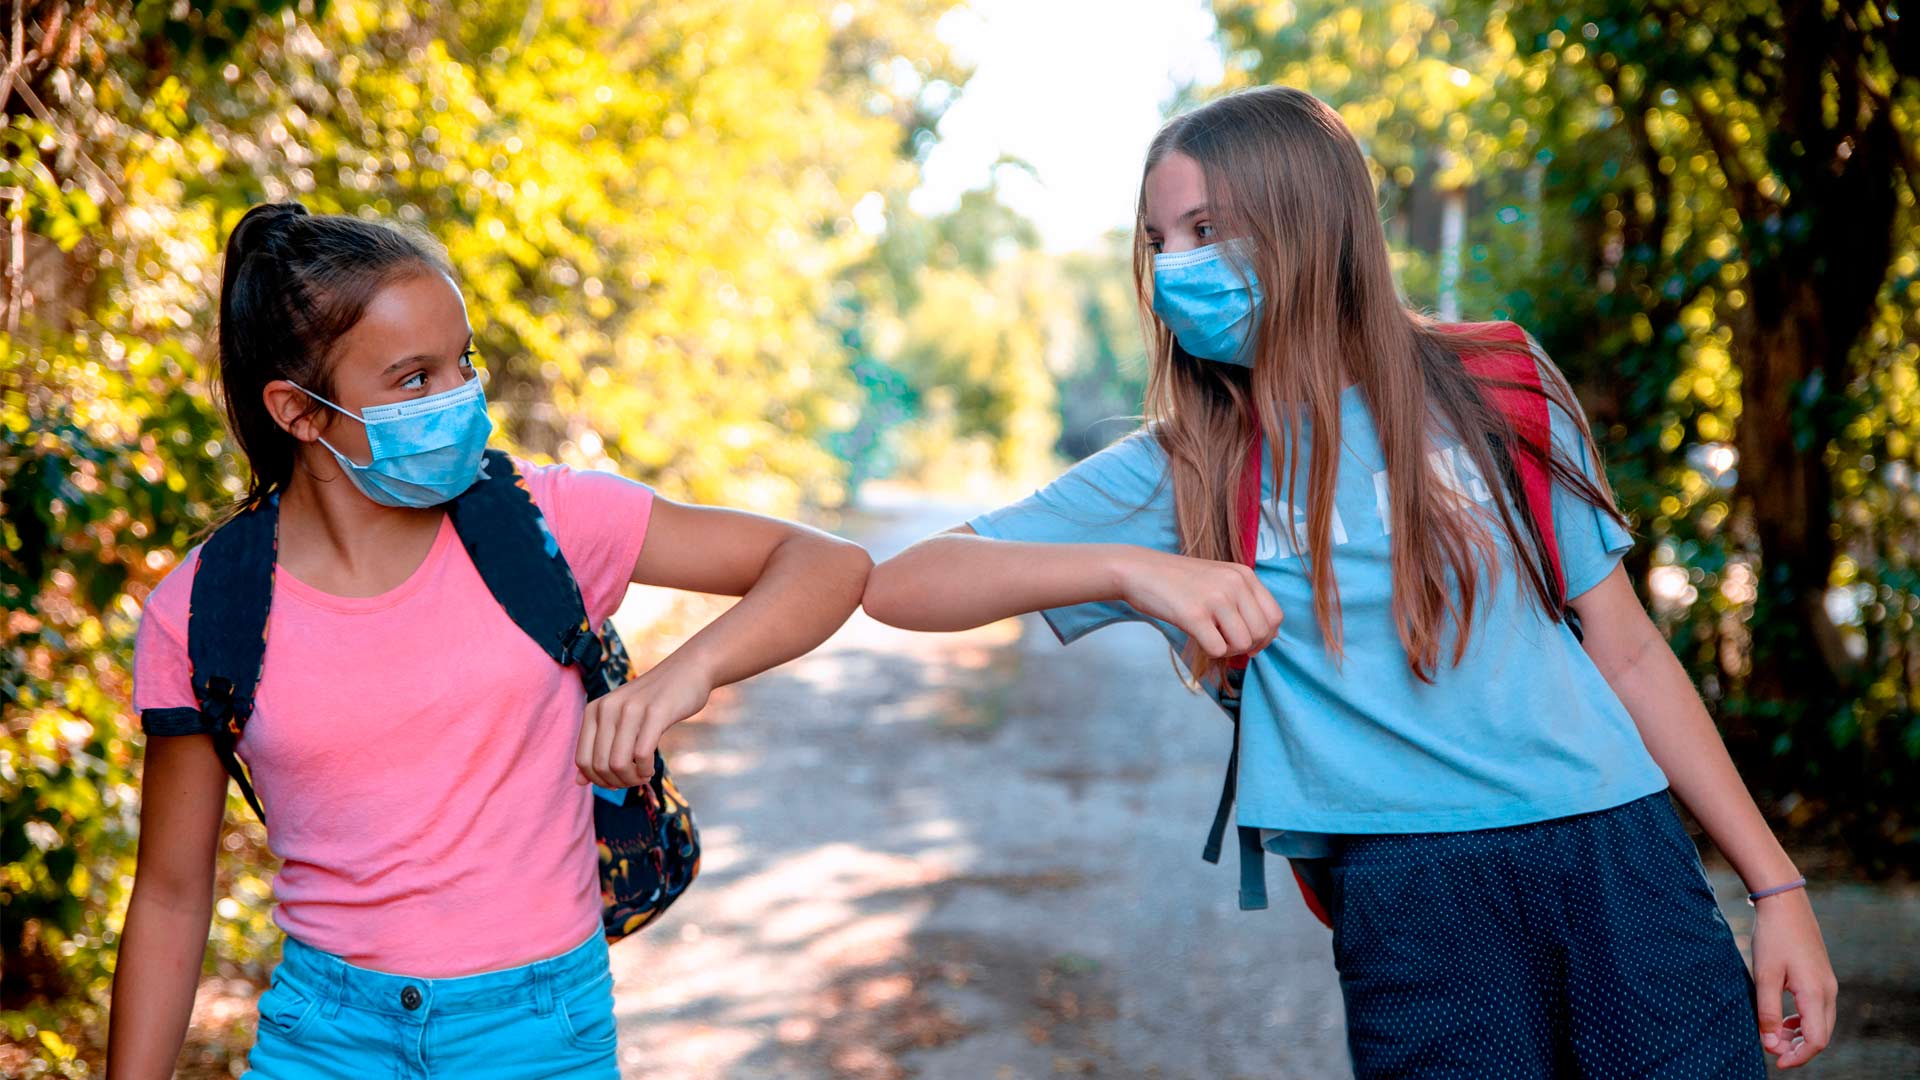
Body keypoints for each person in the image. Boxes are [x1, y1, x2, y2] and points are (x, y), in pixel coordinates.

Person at [861, 86, 1837, 1077]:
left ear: (1309, 223)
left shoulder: (1497, 380)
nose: (1175, 268)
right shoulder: (1187, 459)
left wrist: (1777, 890)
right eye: (1157, 240)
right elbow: (905, 584)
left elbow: (1626, 651)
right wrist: (1134, 568)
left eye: (1207, 229)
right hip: (1409, 899)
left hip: (1615, 853)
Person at [107, 201, 872, 1078]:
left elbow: (826, 565)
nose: (460, 397)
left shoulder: (545, 519)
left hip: (540, 1029)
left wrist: (677, 681)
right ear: (299, 411)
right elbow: (169, 896)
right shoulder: (200, 611)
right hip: (323, 1037)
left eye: (462, 362)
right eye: (413, 379)